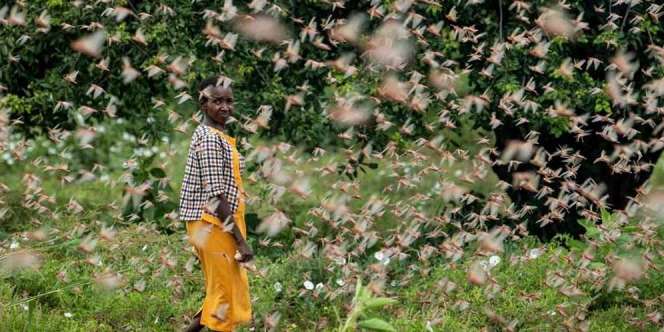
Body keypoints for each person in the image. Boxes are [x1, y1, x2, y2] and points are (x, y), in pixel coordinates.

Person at [179, 76, 253, 332]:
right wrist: (240, 241)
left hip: (218, 222)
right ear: (203, 103)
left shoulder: (218, 134)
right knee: (223, 295)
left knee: (221, 291)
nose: (225, 107)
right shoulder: (209, 139)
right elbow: (215, 195)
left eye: (229, 101)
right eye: (217, 101)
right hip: (211, 223)